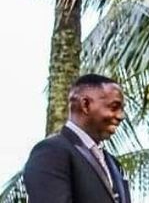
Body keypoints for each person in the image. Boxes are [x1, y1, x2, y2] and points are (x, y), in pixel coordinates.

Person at [23, 73, 131, 203]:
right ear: (85, 104)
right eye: (114, 107)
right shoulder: (51, 152)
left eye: (122, 109)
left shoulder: (113, 163)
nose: (121, 116)